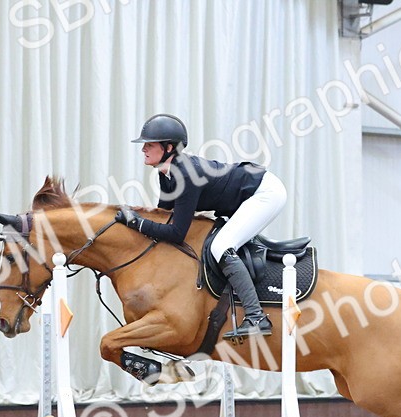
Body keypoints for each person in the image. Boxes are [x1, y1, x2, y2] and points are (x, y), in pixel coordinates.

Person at [113, 113, 288, 338]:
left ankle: (256, 317)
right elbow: (163, 218)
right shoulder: (166, 175)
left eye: (149, 144)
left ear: (168, 148)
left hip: (265, 193)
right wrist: (134, 220)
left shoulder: (186, 174)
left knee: (221, 246)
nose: (143, 149)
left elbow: (176, 233)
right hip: (246, 193)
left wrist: (136, 222)